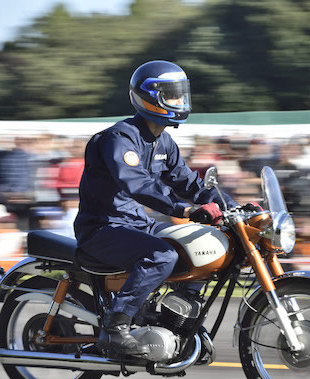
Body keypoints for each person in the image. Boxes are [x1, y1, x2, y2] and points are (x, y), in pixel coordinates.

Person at [75, 60, 243, 356]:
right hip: (103, 227)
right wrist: (186, 211)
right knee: (160, 255)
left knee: (198, 246)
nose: (180, 101)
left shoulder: (164, 142)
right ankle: (115, 328)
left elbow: (192, 184)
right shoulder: (120, 138)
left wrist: (235, 208)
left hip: (137, 224)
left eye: (181, 94)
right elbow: (136, 184)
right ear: (150, 97)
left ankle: (177, 319)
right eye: (173, 94)